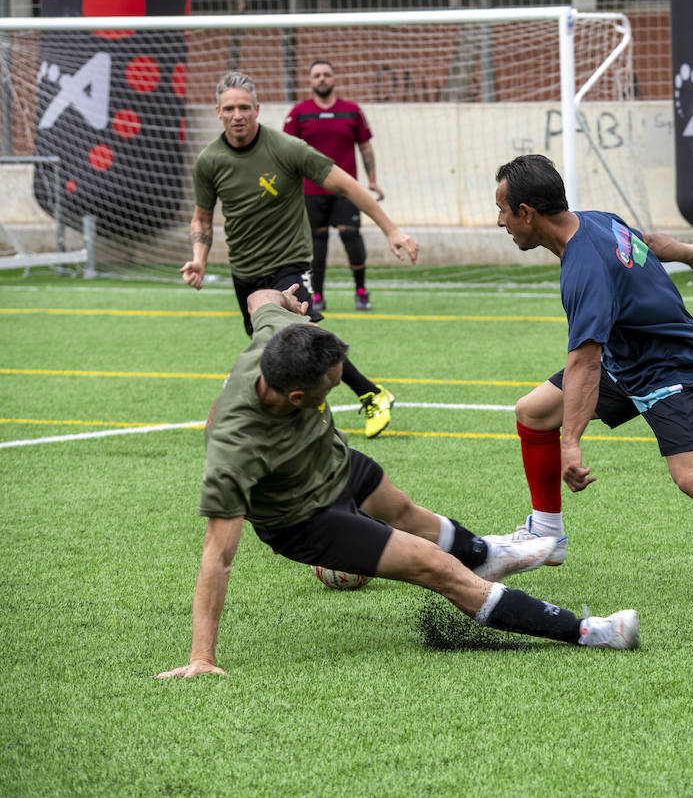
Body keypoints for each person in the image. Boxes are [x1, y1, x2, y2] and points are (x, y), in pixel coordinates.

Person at [156, 289, 639, 679]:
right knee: (436, 567)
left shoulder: (278, 339)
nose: (340, 390)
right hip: (304, 517)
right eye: (330, 387)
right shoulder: (235, 449)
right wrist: (202, 656)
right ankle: (590, 632)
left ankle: (487, 556)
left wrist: (288, 299)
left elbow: (259, 297)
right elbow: (216, 556)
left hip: (334, 461)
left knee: (407, 512)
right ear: (297, 396)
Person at [486, 154, 693, 603]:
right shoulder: (596, 220)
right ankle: (547, 534)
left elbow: (585, 363)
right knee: (533, 412)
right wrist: (687, 252)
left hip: (670, 366)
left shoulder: (583, 268)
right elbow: (644, 242)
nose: (499, 221)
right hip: (631, 360)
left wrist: (571, 443)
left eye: (503, 211)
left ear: (526, 213)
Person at [182, 71, 405, 438]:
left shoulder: (286, 149)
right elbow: (202, 217)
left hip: (289, 263)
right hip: (245, 271)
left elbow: (347, 184)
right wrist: (199, 258)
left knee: (305, 336)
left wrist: (391, 229)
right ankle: (311, 407)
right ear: (218, 112)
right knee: (272, 347)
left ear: (257, 109)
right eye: (229, 109)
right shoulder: (209, 161)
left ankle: (369, 395)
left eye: (243, 107)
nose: (237, 115)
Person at [284, 60, 382, 312]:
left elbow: (365, 147)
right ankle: (318, 296)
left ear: (334, 79)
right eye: (317, 75)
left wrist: (372, 181)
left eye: (326, 74)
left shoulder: (351, 111)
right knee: (317, 243)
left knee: (351, 237)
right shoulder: (299, 112)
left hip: (346, 190)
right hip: (311, 191)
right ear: (310, 81)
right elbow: (286, 152)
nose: (322, 79)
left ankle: (361, 291)